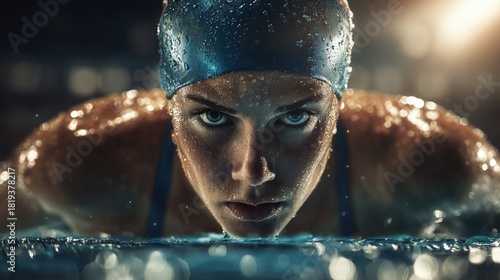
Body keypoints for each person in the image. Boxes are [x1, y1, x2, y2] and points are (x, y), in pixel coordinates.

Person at [2, 0, 500, 238]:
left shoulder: (432, 163)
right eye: (214, 120)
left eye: (297, 117)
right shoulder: (72, 165)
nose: (253, 172)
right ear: (169, 112)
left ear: (336, 113)